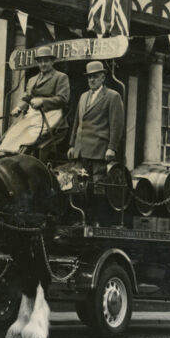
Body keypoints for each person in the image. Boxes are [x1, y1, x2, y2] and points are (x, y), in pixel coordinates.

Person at [67, 61, 125, 225]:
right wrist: (72, 144)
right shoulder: (83, 96)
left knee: (97, 186)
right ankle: (82, 219)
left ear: (102, 77)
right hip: (80, 149)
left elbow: (117, 124)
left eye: (95, 77)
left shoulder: (112, 96)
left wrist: (112, 147)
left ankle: (97, 221)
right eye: (89, 77)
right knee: (79, 185)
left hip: (99, 149)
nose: (92, 80)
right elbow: (77, 123)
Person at [0, 46, 70, 153]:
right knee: (11, 136)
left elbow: (63, 99)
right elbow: (26, 98)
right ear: (37, 63)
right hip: (32, 115)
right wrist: (19, 107)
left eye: (46, 61)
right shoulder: (32, 79)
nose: (43, 64)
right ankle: (4, 159)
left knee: (28, 139)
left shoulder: (60, 77)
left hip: (51, 115)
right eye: (40, 61)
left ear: (52, 62)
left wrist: (42, 101)